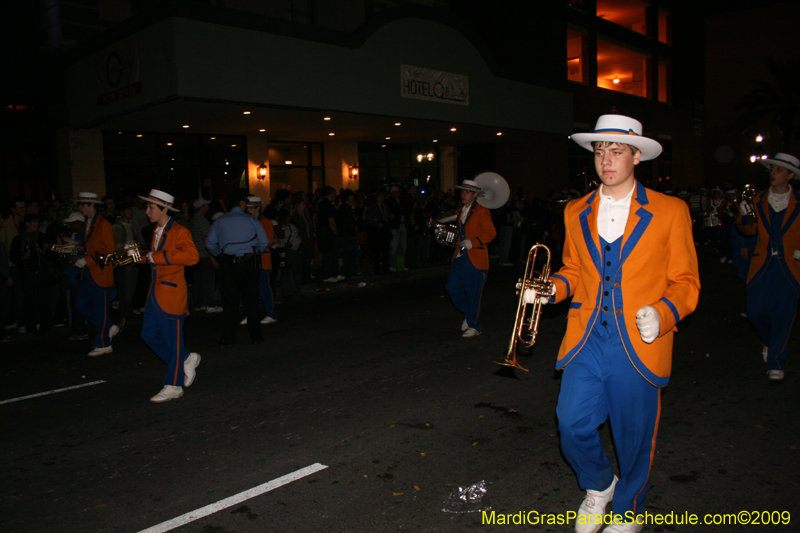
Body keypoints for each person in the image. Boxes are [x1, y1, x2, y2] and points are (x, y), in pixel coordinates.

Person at [524, 114, 700, 533]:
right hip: (587, 337)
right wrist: (549, 289)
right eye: (599, 150)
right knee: (571, 423)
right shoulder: (575, 210)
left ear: (637, 157)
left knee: (634, 437)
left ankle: (629, 510)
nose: (605, 158)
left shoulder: (670, 211)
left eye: (616, 150)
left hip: (638, 340)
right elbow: (573, 270)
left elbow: (687, 282)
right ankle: (600, 485)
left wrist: (662, 313)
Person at [738, 152, 800, 382]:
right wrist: (743, 218)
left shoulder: (799, 202)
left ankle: (776, 362)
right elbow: (748, 231)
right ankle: (770, 342)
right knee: (755, 311)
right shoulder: (757, 200)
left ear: (790, 175)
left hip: (791, 268)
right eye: (772, 169)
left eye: (779, 170)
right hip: (761, 265)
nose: (773, 173)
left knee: (784, 317)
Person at [136, 189, 200, 403]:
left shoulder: (179, 231)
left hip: (172, 294)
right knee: (148, 335)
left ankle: (174, 385)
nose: (147, 211)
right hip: (155, 293)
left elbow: (192, 257)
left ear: (164, 209)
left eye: (151, 207)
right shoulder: (156, 231)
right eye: (147, 207)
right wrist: (137, 257)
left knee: (172, 341)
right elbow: (153, 259)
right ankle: (185, 358)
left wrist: (156, 256)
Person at [205, 190, 269, 347]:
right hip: (249, 265)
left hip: (229, 266)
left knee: (230, 304)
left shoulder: (220, 221)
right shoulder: (251, 220)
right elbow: (264, 242)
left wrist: (221, 255)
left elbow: (209, 244)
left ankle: (228, 339)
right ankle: (256, 336)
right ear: (241, 203)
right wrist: (255, 254)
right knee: (251, 302)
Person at [445, 179, 497, 338]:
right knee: (451, 288)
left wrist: (473, 243)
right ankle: (469, 315)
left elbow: (491, 233)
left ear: (475, 195)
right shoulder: (461, 210)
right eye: (462, 191)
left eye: (467, 192)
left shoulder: (482, 211)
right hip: (461, 257)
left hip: (475, 258)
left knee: (474, 294)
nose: (464, 194)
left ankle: (475, 326)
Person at [73, 192, 120, 356]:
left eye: (82, 204)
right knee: (80, 305)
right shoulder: (88, 223)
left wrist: (87, 260)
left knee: (100, 310)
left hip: (100, 274)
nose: (80, 207)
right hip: (89, 273)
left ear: (91, 205)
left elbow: (110, 252)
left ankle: (103, 343)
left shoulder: (103, 224)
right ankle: (107, 327)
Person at [243, 195, 278, 325]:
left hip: (263, 259)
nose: (248, 210)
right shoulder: (249, 221)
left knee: (264, 289)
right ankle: (252, 314)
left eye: (251, 208)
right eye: (248, 208)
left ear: (258, 207)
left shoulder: (264, 221)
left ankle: (271, 313)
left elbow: (269, 240)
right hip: (251, 259)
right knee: (250, 290)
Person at [189, 198, 220, 313]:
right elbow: (207, 241)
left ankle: (199, 303)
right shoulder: (202, 221)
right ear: (202, 207)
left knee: (198, 281)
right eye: (206, 205)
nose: (208, 207)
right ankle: (209, 304)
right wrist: (212, 258)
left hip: (196, 255)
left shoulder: (193, 220)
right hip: (204, 255)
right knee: (207, 281)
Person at [316, 186, 341, 283]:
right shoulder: (326, 205)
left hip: (325, 233)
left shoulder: (323, 204)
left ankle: (334, 273)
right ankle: (327, 275)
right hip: (327, 234)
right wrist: (335, 233)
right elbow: (331, 220)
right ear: (330, 194)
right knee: (329, 254)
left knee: (333, 254)